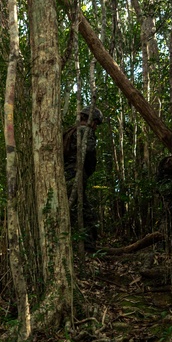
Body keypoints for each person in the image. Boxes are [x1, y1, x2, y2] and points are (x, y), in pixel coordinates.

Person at [63, 107, 103, 252]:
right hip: (76, 174)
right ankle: (88, 248)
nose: (95, 127)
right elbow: (90, 153)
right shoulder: (86, 131)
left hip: (66, 175)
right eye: (96, 123)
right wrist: (88, 170)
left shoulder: (69, 132)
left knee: (74, 209)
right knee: (86, 213)